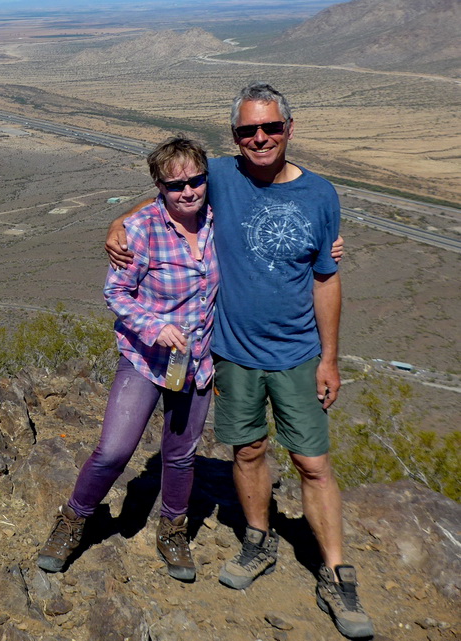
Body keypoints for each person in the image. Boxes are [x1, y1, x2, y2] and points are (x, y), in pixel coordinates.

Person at [105, 83, 371, 639]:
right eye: (248, 130)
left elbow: (327, 279)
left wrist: (329, 358)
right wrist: (118, 225)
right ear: (234, 137)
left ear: (289, 129)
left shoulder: (321, 195)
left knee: (312, 463)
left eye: (271, 127)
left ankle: (337, 573)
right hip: (232, 353)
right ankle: (257, 540)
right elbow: (169, 193)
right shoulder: (221, 176)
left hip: (298, 352)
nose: (260, 138)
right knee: (247, 451)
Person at [37, 136, 218, 583]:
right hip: (146, 358)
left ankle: (173, 530)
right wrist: (157, 326)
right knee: (114, 450)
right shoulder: (141, 229)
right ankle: (73, 520)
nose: (188, 191)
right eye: (175, 185)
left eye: (196, 180)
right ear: (159, 187)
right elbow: (114, 292)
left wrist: (325, 247)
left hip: (197, 363)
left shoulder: (220, 219)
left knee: (181, 455)